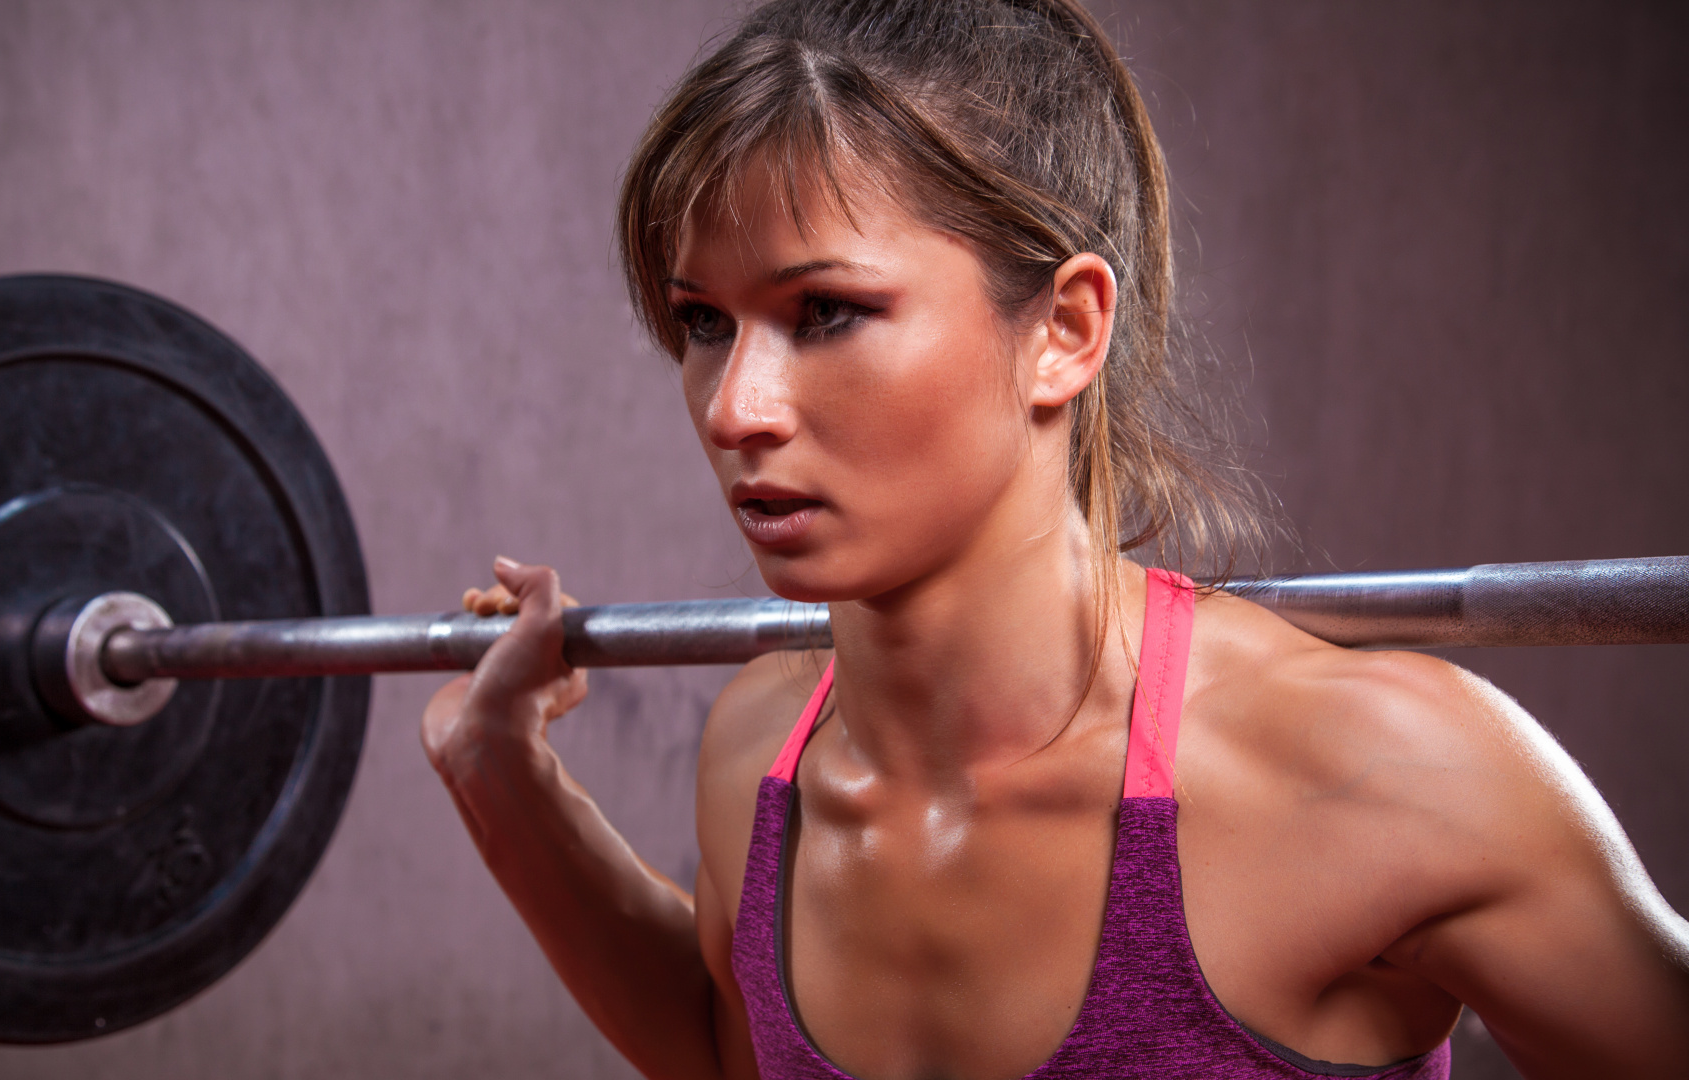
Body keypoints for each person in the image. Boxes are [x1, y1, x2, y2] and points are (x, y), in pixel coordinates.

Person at [419, 2, 1689, 1077]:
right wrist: (501, 776)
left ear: (1065, 331)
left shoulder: (1386, 775)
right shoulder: (759, 760)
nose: (735, 407)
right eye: (705, 322)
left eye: (826, 313)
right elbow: (727, 1052)